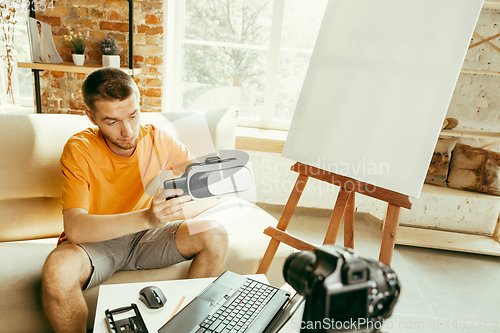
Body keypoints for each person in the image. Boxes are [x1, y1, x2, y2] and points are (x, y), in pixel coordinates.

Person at [41, 68, 229, 333]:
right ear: (91, 117)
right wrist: (147, 217)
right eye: (112, 121)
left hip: (146, 238)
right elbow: (75, 228)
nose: (128, 131)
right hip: (95, 245)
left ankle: (187, 328)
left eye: (133, 115)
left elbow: (202, 181)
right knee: (58, 270)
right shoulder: (80, 149)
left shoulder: (158, 140)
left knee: (215, 234)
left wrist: (207, 176)